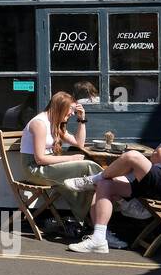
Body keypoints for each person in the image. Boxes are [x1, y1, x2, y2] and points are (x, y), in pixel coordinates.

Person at [67, 89, 161, 254]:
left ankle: (92, 179)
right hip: (155, 180)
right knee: (105, 184)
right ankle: (99, 239)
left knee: (133, 156)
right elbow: (156, 154)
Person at [19, 91, 112, 243]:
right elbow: (40, 159)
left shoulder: (54, 122)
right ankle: (118, 196)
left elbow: (79, 143)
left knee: (91, 181)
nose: (70, 116)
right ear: (60, 108)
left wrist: (82, 120)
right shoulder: (39, 123)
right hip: (35, 169)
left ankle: (99, 228)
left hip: (48, 166)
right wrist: (72, 158)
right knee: (87, 167)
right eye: (69, 113)